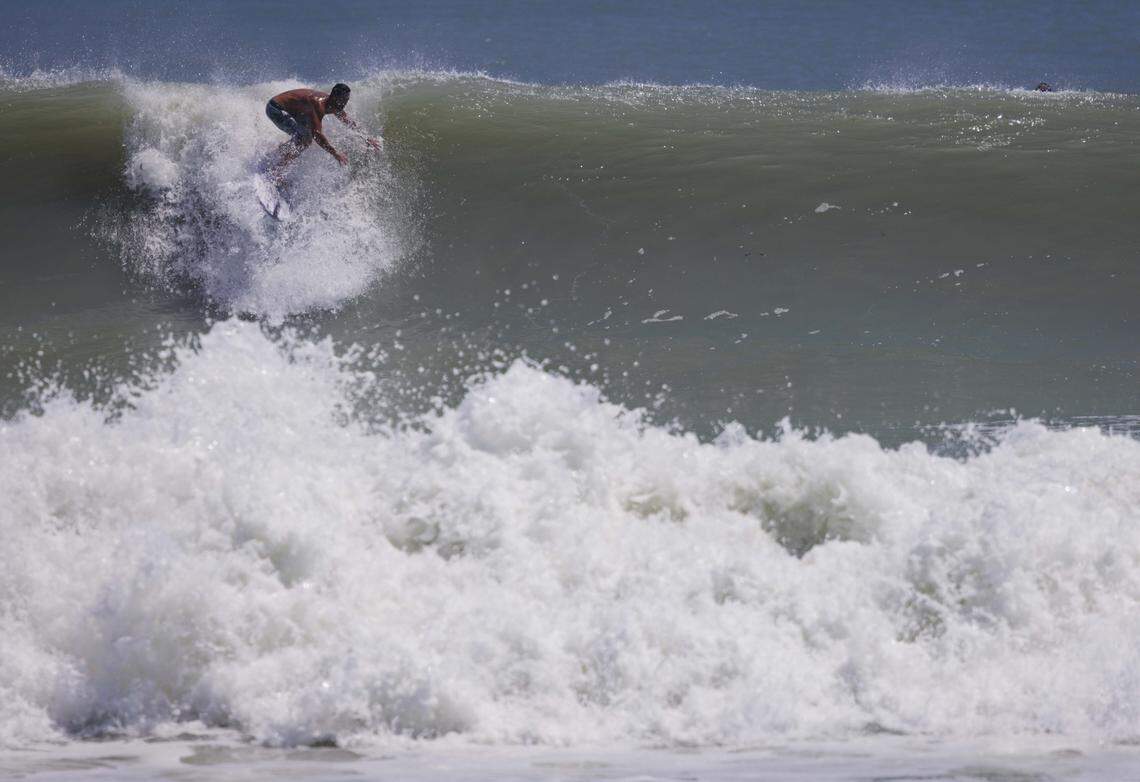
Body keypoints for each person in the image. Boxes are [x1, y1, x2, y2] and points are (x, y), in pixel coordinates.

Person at [264, 83, 381, 181]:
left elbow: (348, 121)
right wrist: (335, 154)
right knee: (305, 139)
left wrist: (366, 137)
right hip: (276, 108)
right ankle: (276, 172)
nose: (345, 103)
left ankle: (275, 155)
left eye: (347, 100)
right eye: (343, 100)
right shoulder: (318, 104)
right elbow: (317, 134)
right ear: (334, 97)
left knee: (304, 139)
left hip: (295, 111)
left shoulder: (335, 105)